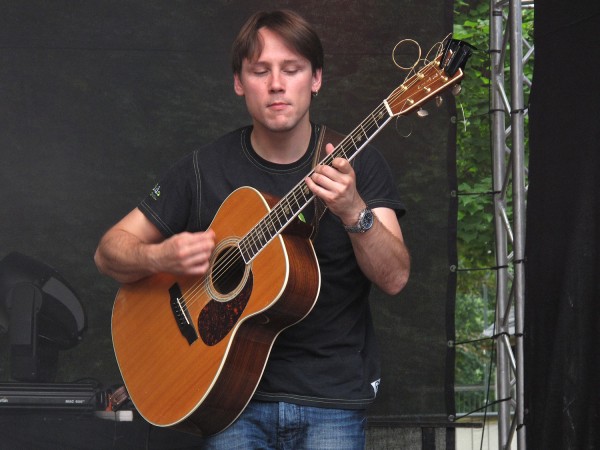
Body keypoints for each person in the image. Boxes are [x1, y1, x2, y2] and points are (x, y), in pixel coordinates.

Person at [95, 9, 410, 449]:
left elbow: (394, 277)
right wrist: (159, 256)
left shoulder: (357, 163)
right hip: (229, 402)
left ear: (316, 79)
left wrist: (354, 210)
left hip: (332, 399)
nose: (276, 84)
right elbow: (109, 251)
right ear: (240, 83)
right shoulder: (205, 168)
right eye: (260, 71)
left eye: (292, 69)